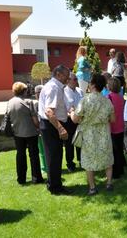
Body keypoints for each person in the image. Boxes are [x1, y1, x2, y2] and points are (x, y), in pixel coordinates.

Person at [70, 74, 115, 195]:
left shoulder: (85, 100)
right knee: (107, 157)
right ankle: (109, 183)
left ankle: (92, 187)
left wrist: (72, 112)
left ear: (93, 85)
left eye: (90, 82)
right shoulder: (107, 101)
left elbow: (75, 119)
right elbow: (113, 119)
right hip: (104, 133)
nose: (88, 84)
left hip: (89, 133)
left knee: (89, 160)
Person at [38, 65, 70, 195]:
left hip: (51, 124)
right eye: (66, 75)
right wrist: (60, 128)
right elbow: (49, 111)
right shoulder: (54, 87)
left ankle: (53, 184)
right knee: (54, 156)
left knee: (55, 156)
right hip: (51, 125)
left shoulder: (55, 86)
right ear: (58, 74)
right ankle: (55, 187)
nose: (68, 78)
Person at [7, 82, 43, 185]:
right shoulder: (29, 102)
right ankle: (36, 178)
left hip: (17, 132)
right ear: (24, 90)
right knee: (34, 155)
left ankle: (21, 179)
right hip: (31, 132)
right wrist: (39, 128)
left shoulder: (10, 102)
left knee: (20, 155)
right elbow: (35, 120)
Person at [63, 73, 84, 171]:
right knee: (69, 143)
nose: (76, 81)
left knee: (80, 141)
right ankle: (70, 164)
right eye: (75, 79)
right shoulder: (63, 92)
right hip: (69, 120)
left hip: (80, 119)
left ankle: (81, 160)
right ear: (68, 80)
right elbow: (63, 108)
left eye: (76, 79)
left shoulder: (80, 91)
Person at [107, 77, 126, 179]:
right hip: (120, 125)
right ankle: (121, 168)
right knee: (119, 149)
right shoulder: (120, 97)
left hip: (112, 127)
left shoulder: (108, 97)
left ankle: (116, 172)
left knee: (114, 151)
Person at [33, 85, 47, 173]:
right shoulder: (36, 104)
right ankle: (44, 167)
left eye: (39, 92)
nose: (37, 94)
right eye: (37, 93)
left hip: (44, 128)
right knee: (42, 150)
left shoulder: (43, 103)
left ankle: (46, 167)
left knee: (46, 150)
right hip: (39, 129)